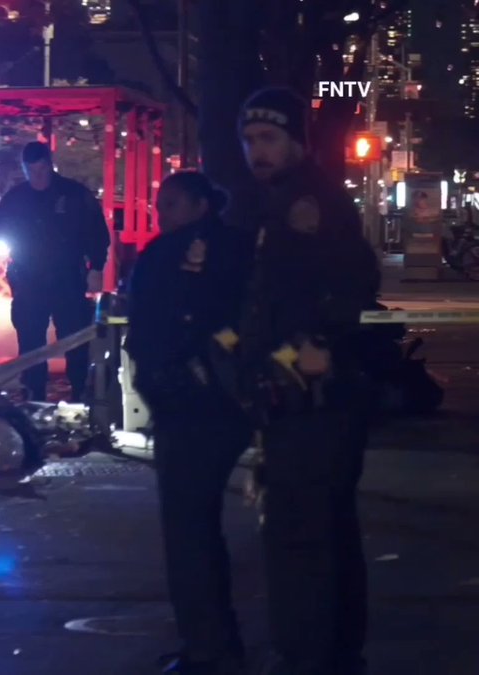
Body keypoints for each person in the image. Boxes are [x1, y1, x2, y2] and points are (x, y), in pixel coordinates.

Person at [235, 87, 379, 675]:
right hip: (308, 400)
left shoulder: (308, 204)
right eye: (249, 140)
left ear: (295, 141)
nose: (257, 152)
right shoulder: (285, 201)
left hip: (311, 403)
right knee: (327, 533)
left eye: (269, 138)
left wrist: (316, 345)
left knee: (300, 539)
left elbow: (349, 283)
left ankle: (308, 658)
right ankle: (334, 653)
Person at [125, 172, 255, 674]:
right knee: (197, 528)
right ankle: (215, 639)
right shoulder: (242, 249)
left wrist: (160, 386)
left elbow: (150, 330)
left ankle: (207, 643)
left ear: (201, 204)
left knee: (188, 531)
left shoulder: (168, 256)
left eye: (172, 204)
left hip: (189, 407)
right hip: (224, 403)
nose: (163, 214)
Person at [0, 141, 110, 401]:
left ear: (50, 165)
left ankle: (80, 394)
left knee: (75, 340)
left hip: (67, 279)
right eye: (31, 172)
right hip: (28, 279)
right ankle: (34, 396)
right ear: (25, 170)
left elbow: (97, 232)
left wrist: (96, 267)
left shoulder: (74, 194)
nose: (38, 177)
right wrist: (1, 248)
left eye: (42, 170)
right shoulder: (16, 198)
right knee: (31, 343)